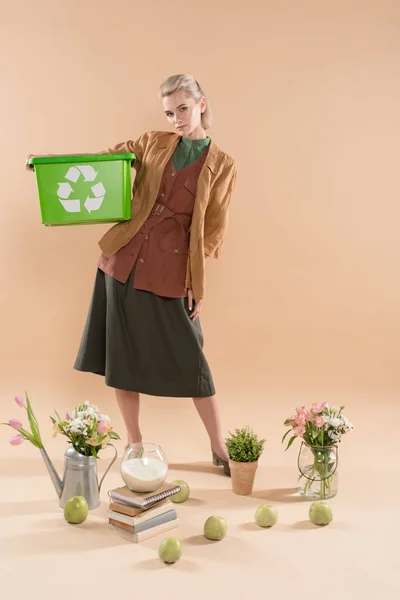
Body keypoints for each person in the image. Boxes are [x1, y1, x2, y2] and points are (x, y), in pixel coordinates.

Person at [26, 74, 237, 475]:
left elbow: (212, 231)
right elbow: (100, 165)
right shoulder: (151, 142)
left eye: (183, 109)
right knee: (122, 358)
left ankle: (218, 444)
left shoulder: (223, 165)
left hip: (172, 269)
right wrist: (46, 166)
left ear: (202, 105)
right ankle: (135, 443)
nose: (176, 119)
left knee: (193, 360)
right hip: (122, 261)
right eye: (170, 112)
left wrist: (197, 283)